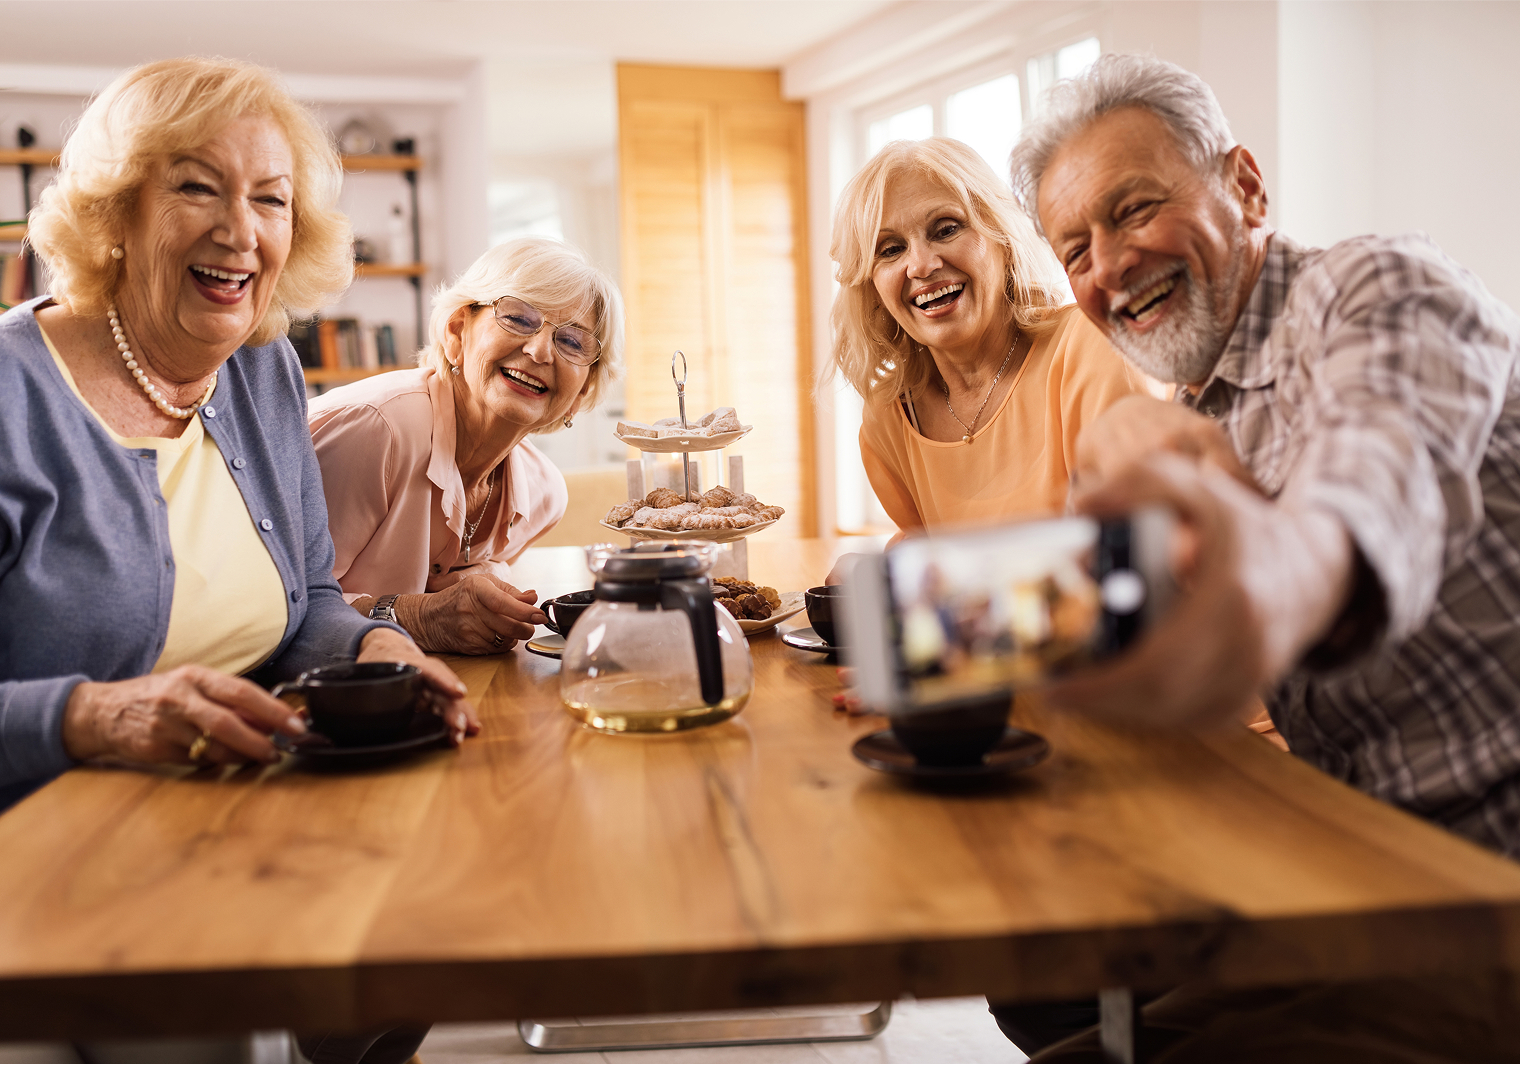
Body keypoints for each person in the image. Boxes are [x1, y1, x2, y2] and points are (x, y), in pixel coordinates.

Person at [999, 52, 1520, 1059]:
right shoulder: (1199, 413)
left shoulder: (1373, 286)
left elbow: (1369, 478)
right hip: (1358, 882)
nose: (1105, 266)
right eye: (1073, 249)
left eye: (1133, 208)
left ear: (1242, 185)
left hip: (1486, 897)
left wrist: (1267, 587)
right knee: (1048, 994)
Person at [0, 57, 474, 812]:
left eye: (270, 199)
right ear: (118, 210)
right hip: (46, 851)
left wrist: (373, 646)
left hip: (245, 813)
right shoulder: (12, 392)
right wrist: (94, 718)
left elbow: (311, 597)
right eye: (196, 186)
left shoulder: (262, 366)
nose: (240, 230)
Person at [308, 237, 624, 654]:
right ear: (458, 331)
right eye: (519, 318)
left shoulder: (542, 494)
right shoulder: (377, 430)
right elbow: (276, 608)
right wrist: (417, 617)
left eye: (571, 342)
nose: (539, 350)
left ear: (584, 391)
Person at [828, 137, 1148, 535]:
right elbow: (926, 558)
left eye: (945, 229)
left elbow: (1135, 548)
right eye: (890, 249)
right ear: (871, 286)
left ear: (1002, 238)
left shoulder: (1091, 347)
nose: (922, 266)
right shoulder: (889, 419)